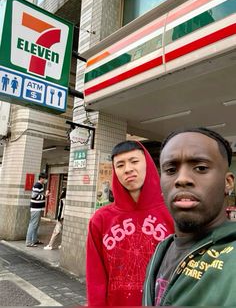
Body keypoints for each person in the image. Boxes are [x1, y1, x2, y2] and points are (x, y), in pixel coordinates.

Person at [143, 127, 236, 306]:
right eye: (170, 170)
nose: (182, 179)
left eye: (200, 168)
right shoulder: (161, 249)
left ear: (227, 182)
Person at [86, 140, 174, 306]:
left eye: (134, 161)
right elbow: (95, 276)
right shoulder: (101, 219)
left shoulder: (172, 213)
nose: (128, 169)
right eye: (120, 165)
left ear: (147, 164)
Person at [26, 172, 50, 247]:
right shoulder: (38, 185)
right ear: (42, 178)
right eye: (45, 179)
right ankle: (28, 242)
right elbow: (34, 196)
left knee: (35, 225)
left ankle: (34, 240)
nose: (46, 180)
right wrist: (45, 196)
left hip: (37, 208)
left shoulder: (40, 185)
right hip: (36, 208)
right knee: (33, 224)